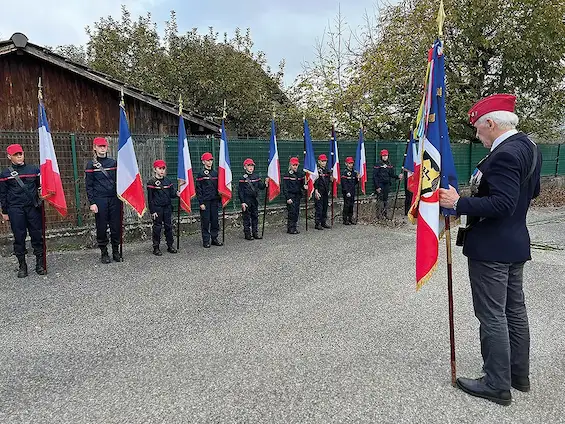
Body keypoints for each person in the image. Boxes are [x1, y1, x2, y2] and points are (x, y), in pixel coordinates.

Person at [439, 93, 542, 406]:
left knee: (492, 315)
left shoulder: (504, 155)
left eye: (479, 129)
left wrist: (459, 203)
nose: (477, 135)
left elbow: (502, 202)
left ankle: (496, 384)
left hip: (492, 248)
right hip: (513, 242)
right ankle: (516, 375)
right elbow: (531, 191)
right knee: (513, 311)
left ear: (492, 124)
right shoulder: (528, 146)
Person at [0, 144, 45, 277]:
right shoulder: (5, 174)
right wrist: (5, 212)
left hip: (32, 208)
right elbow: (2, 194)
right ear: (9, 157)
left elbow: (40, 186)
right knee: (19, 237)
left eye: (20, 154)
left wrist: (42, 195)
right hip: (15, 209)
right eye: (16, 155)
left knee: (37, 235)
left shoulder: (33, 169)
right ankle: (22, 266)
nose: (19, 156)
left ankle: (39, 264)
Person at [85, 137, 121, 264]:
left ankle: (116, 251)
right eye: (99, 146)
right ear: (94, 147)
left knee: (116, 226)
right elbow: (89, 185)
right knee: (101, 227)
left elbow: (121, 181)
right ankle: (104, 252)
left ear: (107, 147)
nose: (102, 148)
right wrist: (92, 202)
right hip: (100, 200)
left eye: (104, 146)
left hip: (114, 199)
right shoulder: (91, 165)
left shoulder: (114, 163)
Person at [147, 159, 178, 255]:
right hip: (157, 209)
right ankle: (156, 247)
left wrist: (178, 193)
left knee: (169, 227)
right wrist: (152, 211)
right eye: (159, 168)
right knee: (157, 228)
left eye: (163, 168)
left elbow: (172, 194)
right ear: (155, 169)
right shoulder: (151, 182)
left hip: (167, 208)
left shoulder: (168, 181)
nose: (162, 171)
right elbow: (150, 198)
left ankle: (170, 245)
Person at [195, 152, 223, 248]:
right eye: (207, 160)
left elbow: (219, 188)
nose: (210, 162)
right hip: (205, 202)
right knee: (206, 221)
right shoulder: (200, 174)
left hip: (214, 201)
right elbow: (198, 190)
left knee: (215, 220)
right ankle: (206, 240)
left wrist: (221, 198)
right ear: (203, 162)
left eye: (211, 160)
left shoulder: (215, 173)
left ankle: (214, 238)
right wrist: (201, 202)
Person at [238, 158, 267, 240]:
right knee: (246, 217)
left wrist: (265, 183)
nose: (251, 167)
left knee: (255, 216)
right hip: (246, 200)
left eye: (252, 165)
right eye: (249, 165)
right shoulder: (242, 178)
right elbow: (240, 191)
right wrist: (242, 202)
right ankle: (247, 234)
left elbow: (261, 187)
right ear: (245, 167)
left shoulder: (256, 176)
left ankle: (255, 233)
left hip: (254, 199)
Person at [373, 149, 402, 218]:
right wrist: (377, 187)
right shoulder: (378, 164)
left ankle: (385, 214)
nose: (385, 157)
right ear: (381, 156)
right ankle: (379, 215)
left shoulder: (389, 164)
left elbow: (391, 174)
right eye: (383, 156)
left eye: (386, 155)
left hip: (387, 184)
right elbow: (375, 176)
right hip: (380, 184)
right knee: (380, 199)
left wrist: (398, 176)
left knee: (385, 199)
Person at [282, 157, 306, 234]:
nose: (295, 166)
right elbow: (285, 187)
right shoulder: (287, 175)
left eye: (296, 165)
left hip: (297, 196)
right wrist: (288, 197)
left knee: (296, 212)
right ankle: (290, 228)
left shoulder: (300, 174)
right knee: (291, 212)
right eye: (293, 165)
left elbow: (302, 185)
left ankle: (294, 227)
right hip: (291, 196)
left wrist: (305, 186)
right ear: (290, 165)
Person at [314, 154, 331, 230]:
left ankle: (323, 222)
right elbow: (314, 182)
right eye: (322, 161)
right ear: (319, 162)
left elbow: (328, 181)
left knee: (325, 207)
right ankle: (317, 223)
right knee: (319, 208)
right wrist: (315, 190)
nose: (324, 163)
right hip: (319, 191)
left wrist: (329, 189)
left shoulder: (327, 171)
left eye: (325, 161)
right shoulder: (316, 171)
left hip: (325, 191)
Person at [341, 156, 358, 225]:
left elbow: (355, 182)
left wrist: (357, 178)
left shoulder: (354, 172)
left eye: (352, 163)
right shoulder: (345, 172)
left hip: (353, 190)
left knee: (351, 205)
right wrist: (347, 191)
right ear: (346, 164)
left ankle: (350, 218)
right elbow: (344, 183)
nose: (351, 165)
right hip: (347, 192)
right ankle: (345, 219)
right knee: (347, 205)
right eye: (349, 163)